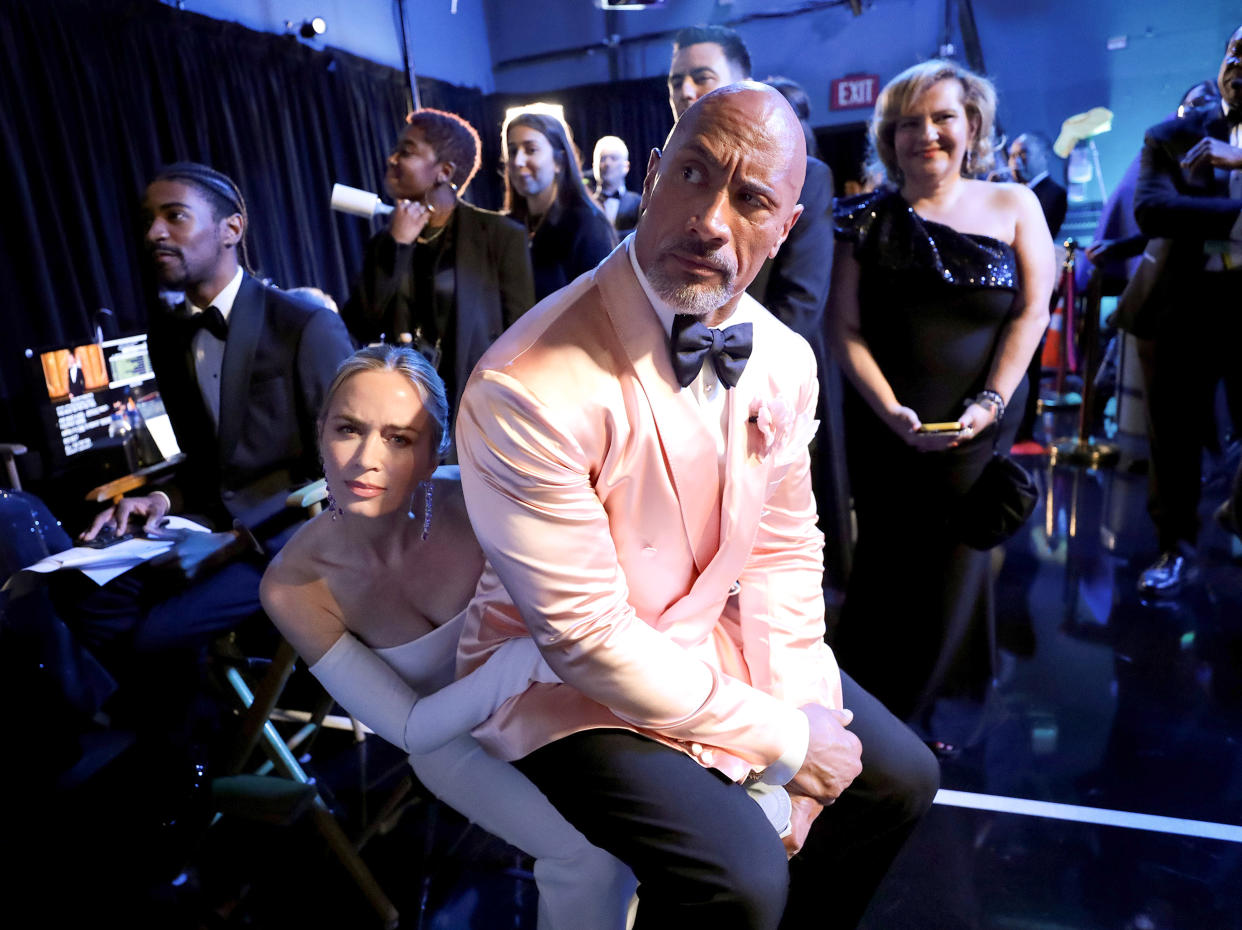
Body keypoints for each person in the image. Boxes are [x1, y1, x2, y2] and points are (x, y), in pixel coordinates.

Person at [456, 82, 938, 930]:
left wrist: (806, 712)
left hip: (708, 632)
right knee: (739, 879)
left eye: (751, 199)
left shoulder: (784, 358)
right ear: (652, 176)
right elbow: (586, 639)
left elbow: (785, 556)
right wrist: (785, 745)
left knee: (900, 778)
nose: (713, 220)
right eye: (693, 173)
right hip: (554, 674)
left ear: (784, 229)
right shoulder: (522, 386)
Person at [259, 345, 636, 930]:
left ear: (436, 448)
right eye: (348, 429)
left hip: (553, 701)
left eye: (398, 439)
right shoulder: (291, 585)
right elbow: (410, 729)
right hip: (451, 745)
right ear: (319, 432)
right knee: (588, 856)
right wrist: (528, 658)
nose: (365, 460)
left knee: (652, 821)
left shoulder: (483, 496)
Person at [826, 61, 1053, 730]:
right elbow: (842, 329)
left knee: (955, 568)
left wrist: (990, 402)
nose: (926, 133)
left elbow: (1033, 311)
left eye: (942, 117)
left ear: (973, 125)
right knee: (885, 569)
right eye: (907, 124)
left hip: (975, 427)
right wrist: (889, 411)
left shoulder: (1016, 206)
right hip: (886, 427)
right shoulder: (861, 219)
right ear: (888, 137)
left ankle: (919, 715)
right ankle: (865, 722)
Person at [666, 26, 848, 588]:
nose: (686, 89)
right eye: (676, 80)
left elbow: (802, 298)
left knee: (779, 558)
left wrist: (729, 376)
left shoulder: (805, 177)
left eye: (702, 76)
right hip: (674, 379)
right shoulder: (668, 171)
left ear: (742, 82)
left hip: (765, 377)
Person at [1131, 24, 1242, 597]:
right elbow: (1153, 209)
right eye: (1234, 50)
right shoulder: (1170, 135)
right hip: (1184, 307)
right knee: (1172, 442)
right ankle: (1174, 548)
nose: (1239, 62)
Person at [342, 108, 534, 418]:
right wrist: (398, 245)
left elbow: (523, 337)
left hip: (480, 409)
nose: (392, 159)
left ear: (444, 171)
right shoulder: (384, 242)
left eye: (406, 152)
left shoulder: (500, 236)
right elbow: (361, 324)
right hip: (402, 410)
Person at [502, 111, 617, 302]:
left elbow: (604, 306)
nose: (517, 161)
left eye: (530, 150)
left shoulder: (586, 224)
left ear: (559, 161)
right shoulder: (507, 226)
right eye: (512, 151)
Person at [591, 135, 642, 232]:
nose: (607, 164)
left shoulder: (639, 204)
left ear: (626, 167)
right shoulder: (586, 205)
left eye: (614, 158)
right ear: (594, 166)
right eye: (602, 158)